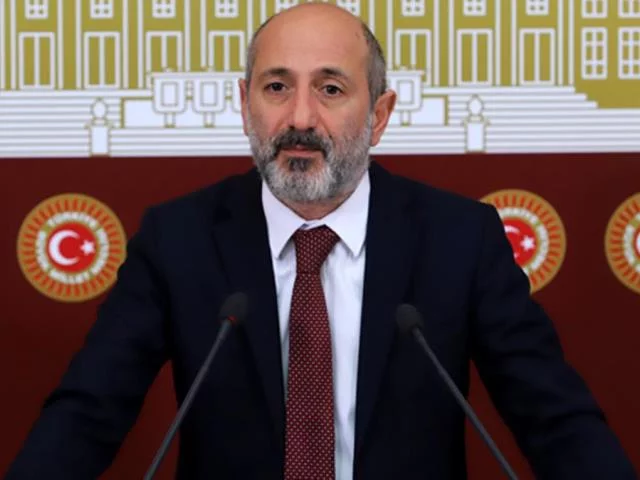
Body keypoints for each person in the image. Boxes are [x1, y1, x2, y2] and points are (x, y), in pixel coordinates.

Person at [6, 3, 636, 479]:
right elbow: (86, 415)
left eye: (331, 89)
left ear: (379, 115)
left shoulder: (459, 240)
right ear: (245, 104)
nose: (301, 118)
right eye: (276, 87)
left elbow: (554, 420)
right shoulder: (178, 239)